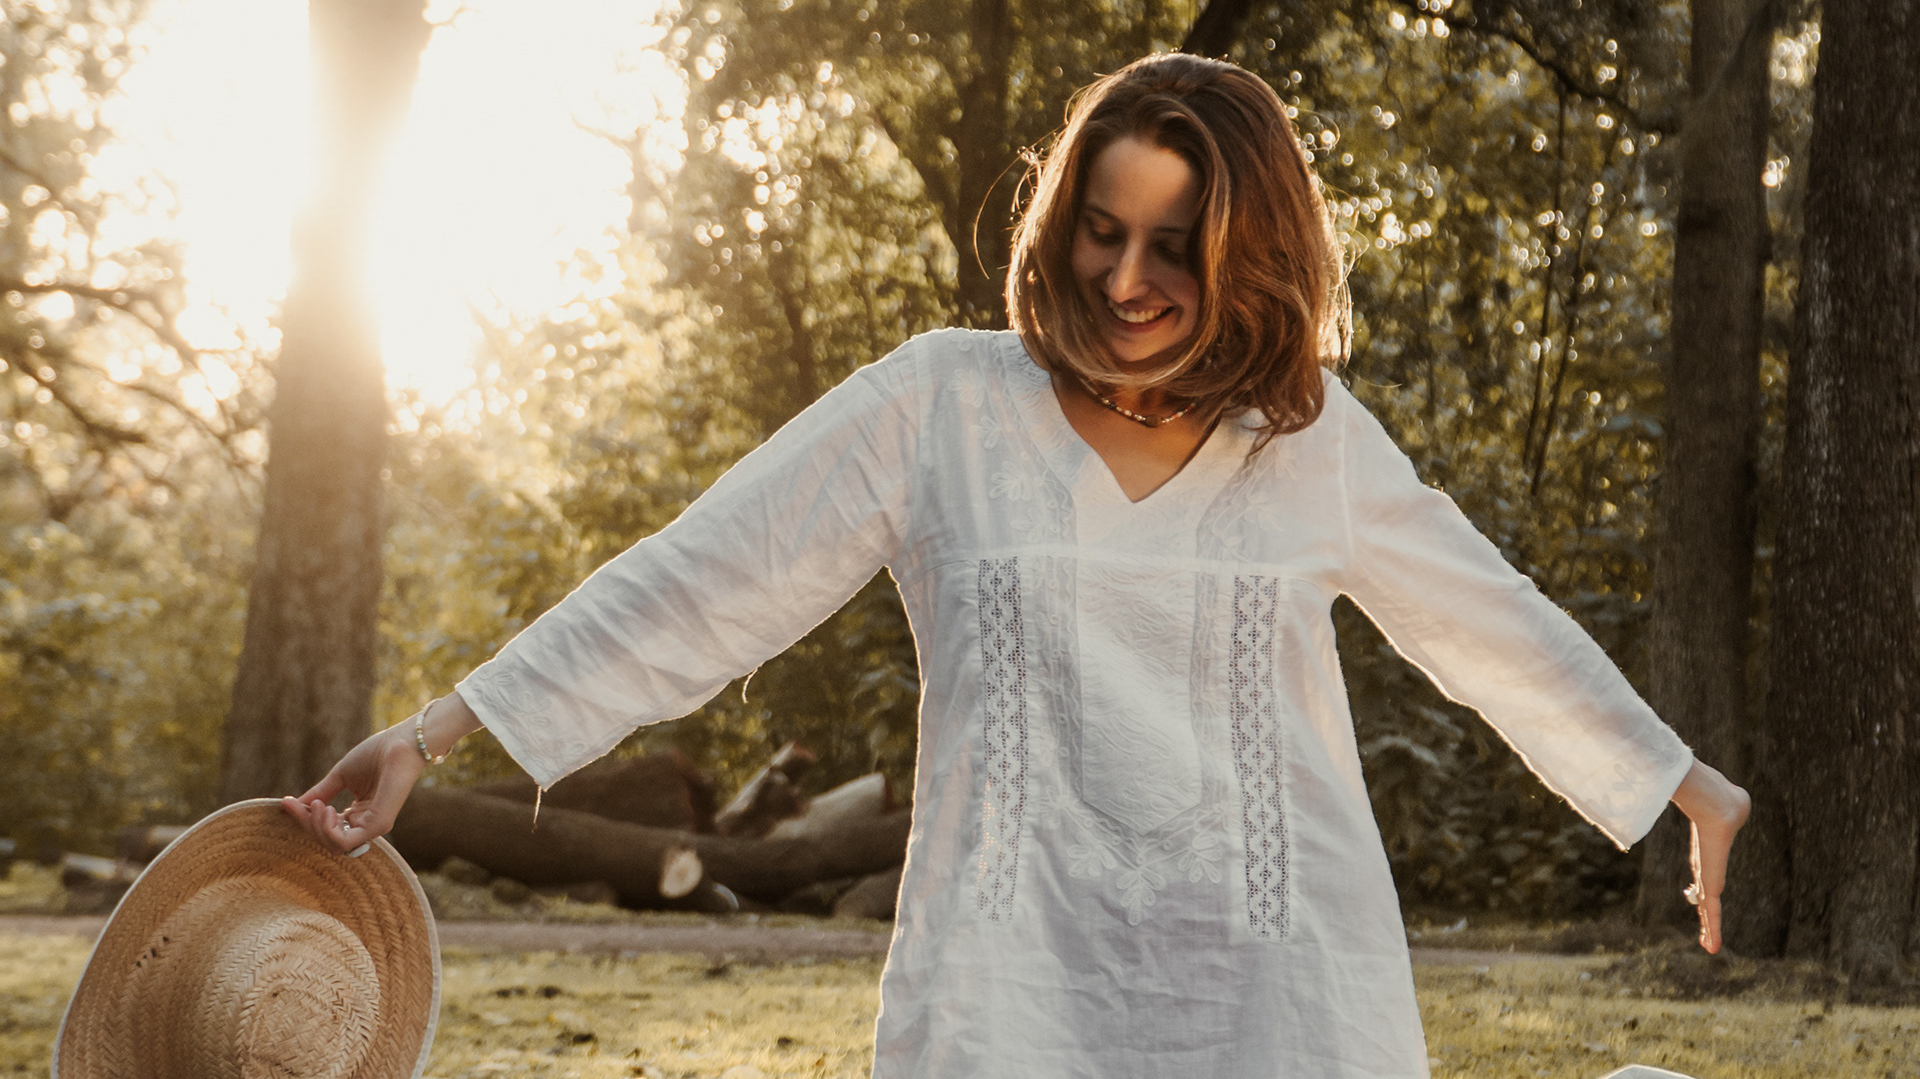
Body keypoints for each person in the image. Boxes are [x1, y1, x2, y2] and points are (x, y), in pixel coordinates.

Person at [285, 53, 1750, 1078]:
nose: (1126, 280)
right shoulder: (941, 406)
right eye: (1102, 233)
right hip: (1009, 988)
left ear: (1251, 253)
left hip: (1278, 986)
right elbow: (713, 569)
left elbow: (1486, 619)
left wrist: (1678, 780)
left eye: (1175, 246)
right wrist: (441, 729)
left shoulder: (1309, 439)